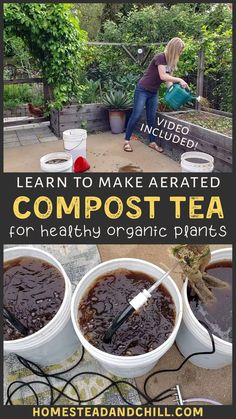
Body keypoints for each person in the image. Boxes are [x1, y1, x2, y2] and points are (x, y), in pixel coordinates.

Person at [124, 37, 189, 152]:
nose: (181, 52)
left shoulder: (170, 61)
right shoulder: (161, 57)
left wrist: (172, 91)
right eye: (180, 50)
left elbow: (168, 80)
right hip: (142, 89)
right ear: (174, 48)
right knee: (136, 115)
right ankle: (126, 141)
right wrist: (179, 79)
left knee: (152, 118)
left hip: (153, 92)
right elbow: (163, 76)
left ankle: (152, 142)